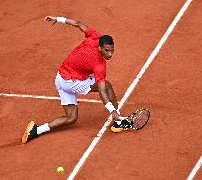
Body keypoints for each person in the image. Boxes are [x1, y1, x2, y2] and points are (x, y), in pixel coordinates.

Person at [22, 16, 129, 144]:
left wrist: (57, 18)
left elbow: (78, 23)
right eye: (107, 51)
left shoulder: (96, 37)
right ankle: (118, 121)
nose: (110, 54)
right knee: (106, 85)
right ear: (100, 48)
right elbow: (102, 90)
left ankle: (36, 130)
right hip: (71, 82)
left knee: (71, 118)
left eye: (112, 50)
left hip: (60, 77)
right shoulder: (99, 65)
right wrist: (112, 111)